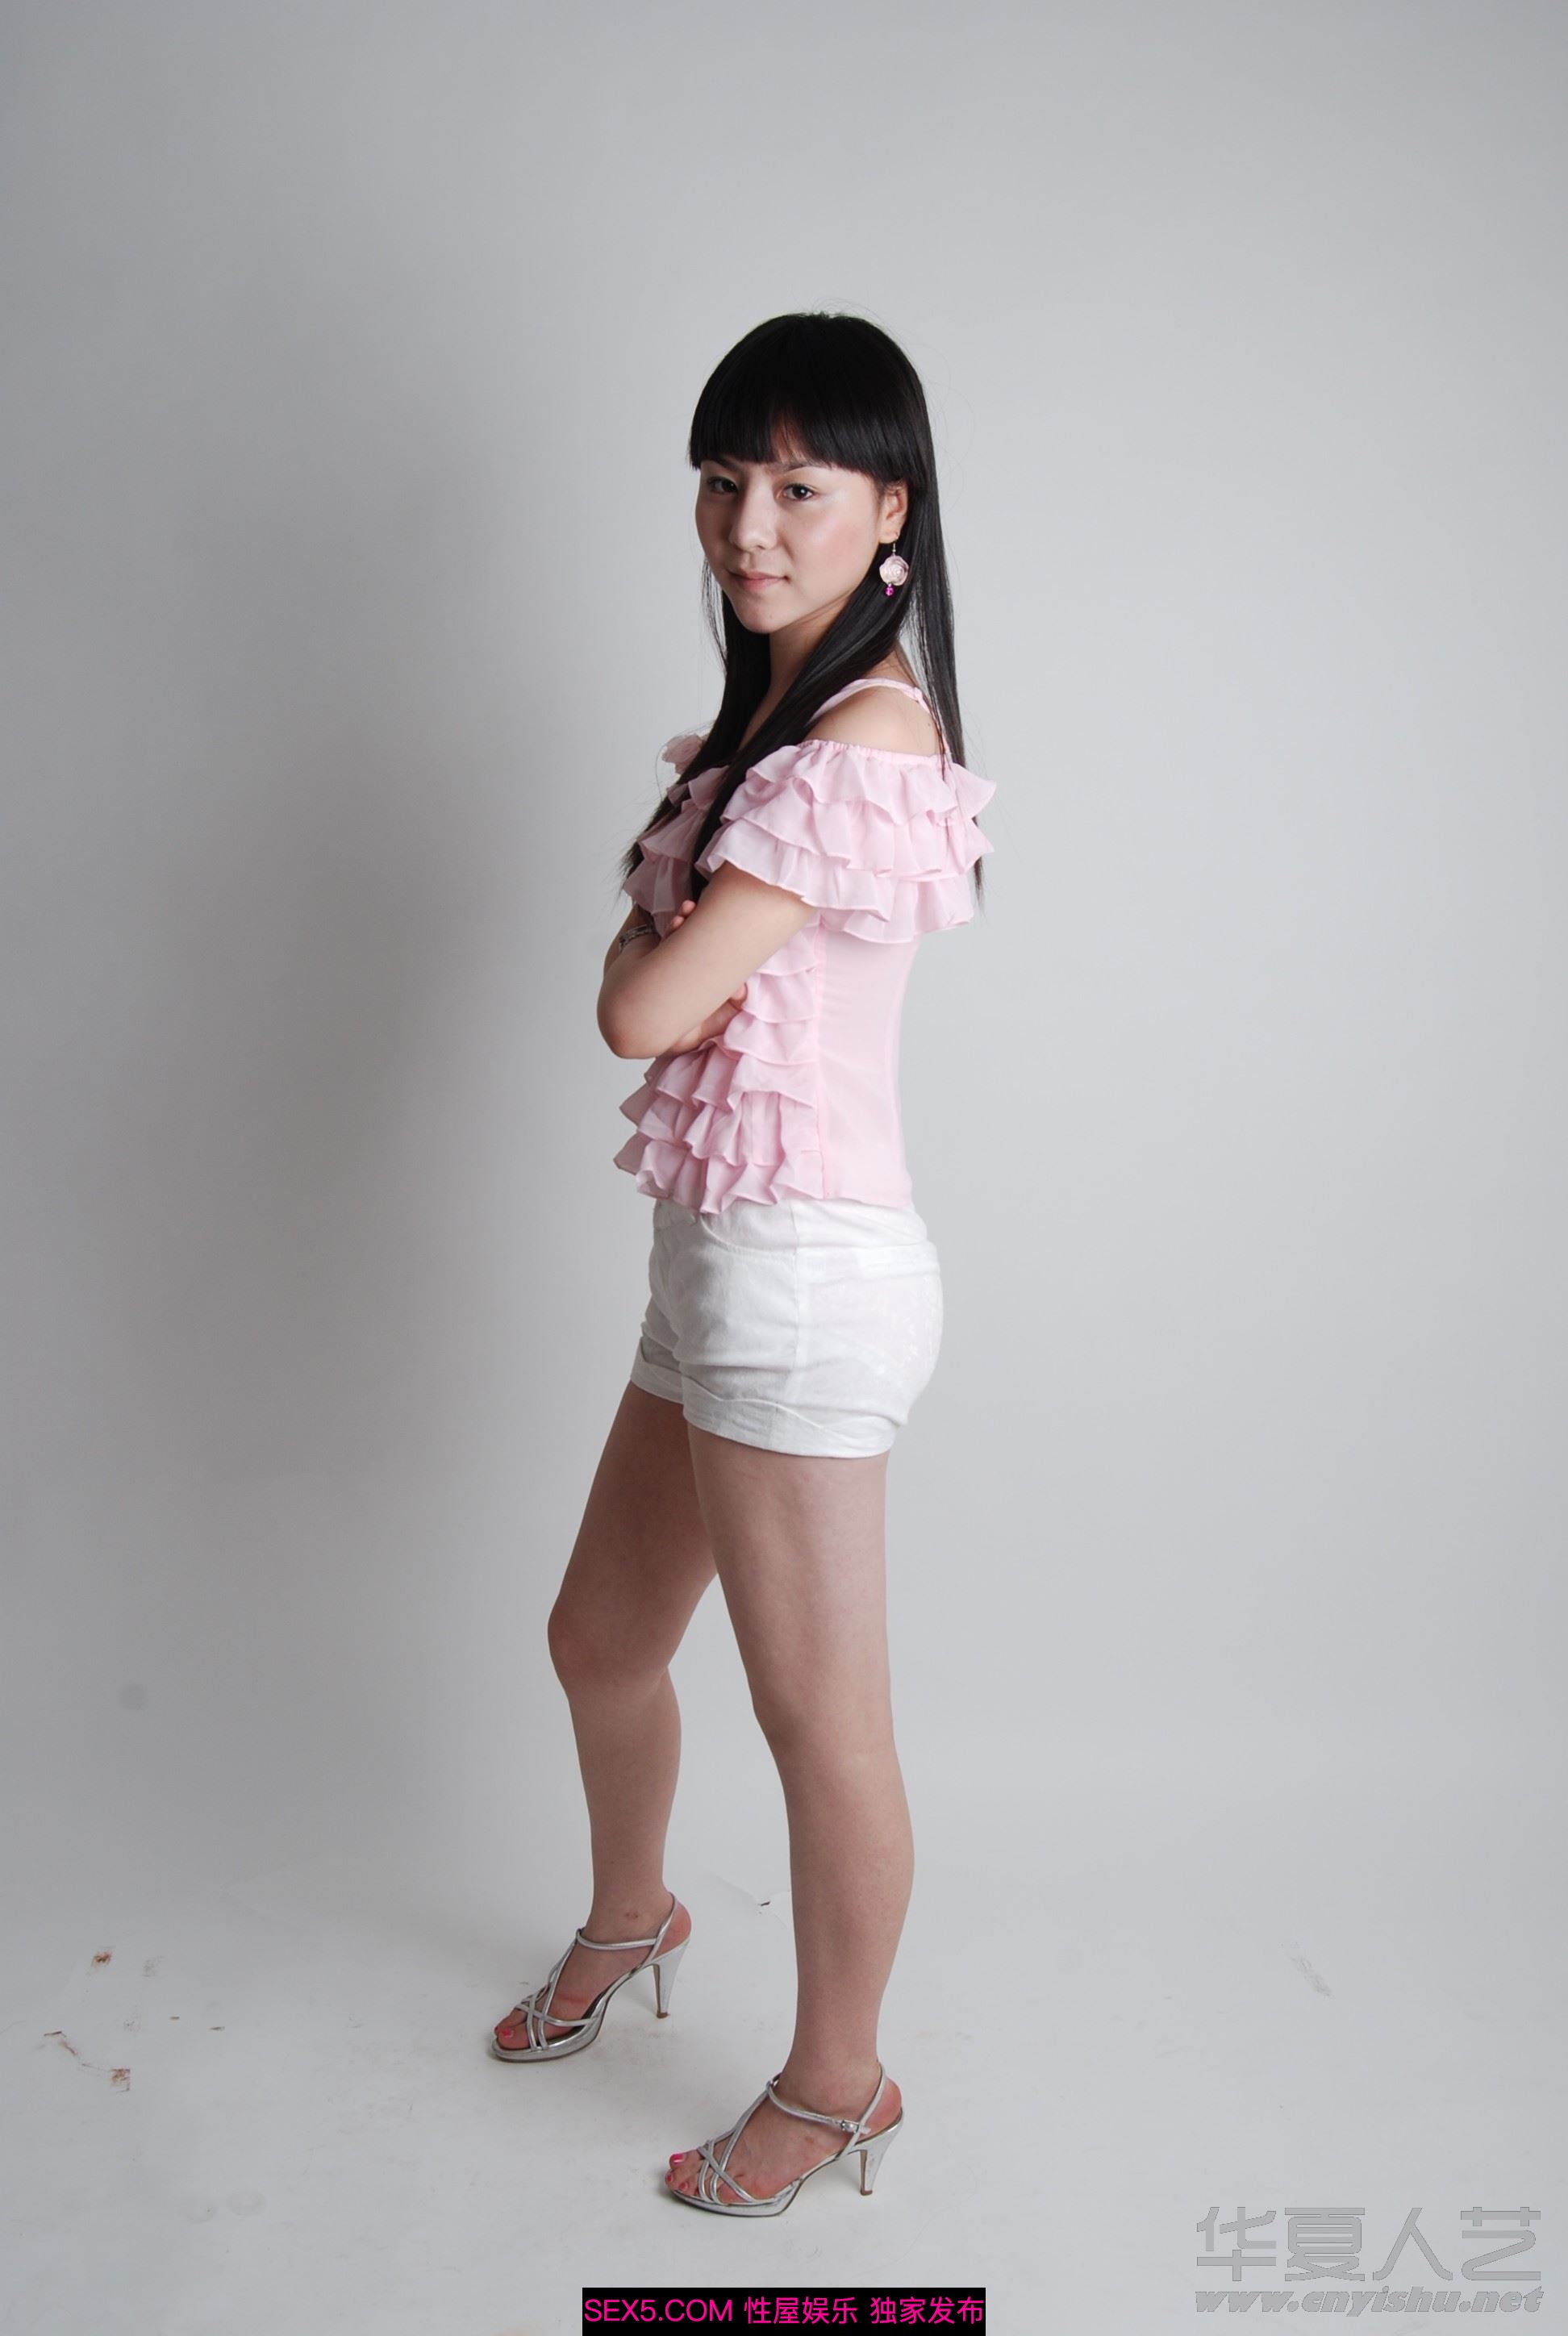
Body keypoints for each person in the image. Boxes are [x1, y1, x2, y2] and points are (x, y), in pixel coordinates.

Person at [489, 311, 996, 2219]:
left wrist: (646, 951)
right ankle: (636, 1911)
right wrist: (661, 943)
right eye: (722, 480)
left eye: (799, 484)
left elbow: (640, 1012)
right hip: (714, 1266)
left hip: (804, 1286)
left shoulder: (860, 741)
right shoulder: (765, 741)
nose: (749, 524)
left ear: (893, 511)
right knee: (599, 1641)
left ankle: (842, 2080)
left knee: (818, 1725)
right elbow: (666, 988)